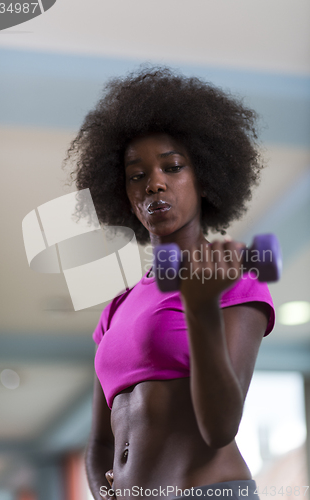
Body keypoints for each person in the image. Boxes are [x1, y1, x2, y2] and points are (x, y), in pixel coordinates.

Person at [65, 66, 275, 500]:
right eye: (136, 175)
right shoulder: (117, 307)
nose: (154, 183)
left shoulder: (233, 276)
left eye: (172, 167)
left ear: (204, 179)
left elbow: (219, 428)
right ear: (123, 193)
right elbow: (100, 443)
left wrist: (199, 308)